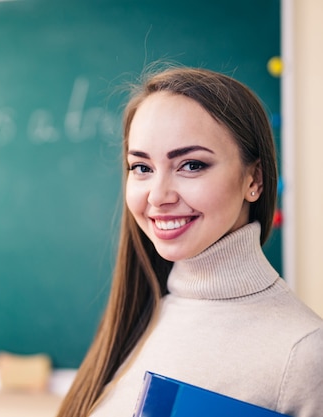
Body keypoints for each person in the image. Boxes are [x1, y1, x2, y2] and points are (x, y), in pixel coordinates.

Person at [55, 67, 323, 417]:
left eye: (192, 165)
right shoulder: (138, 317)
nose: (158, 196)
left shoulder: (303, 352)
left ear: (253, 178)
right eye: (141, 167)